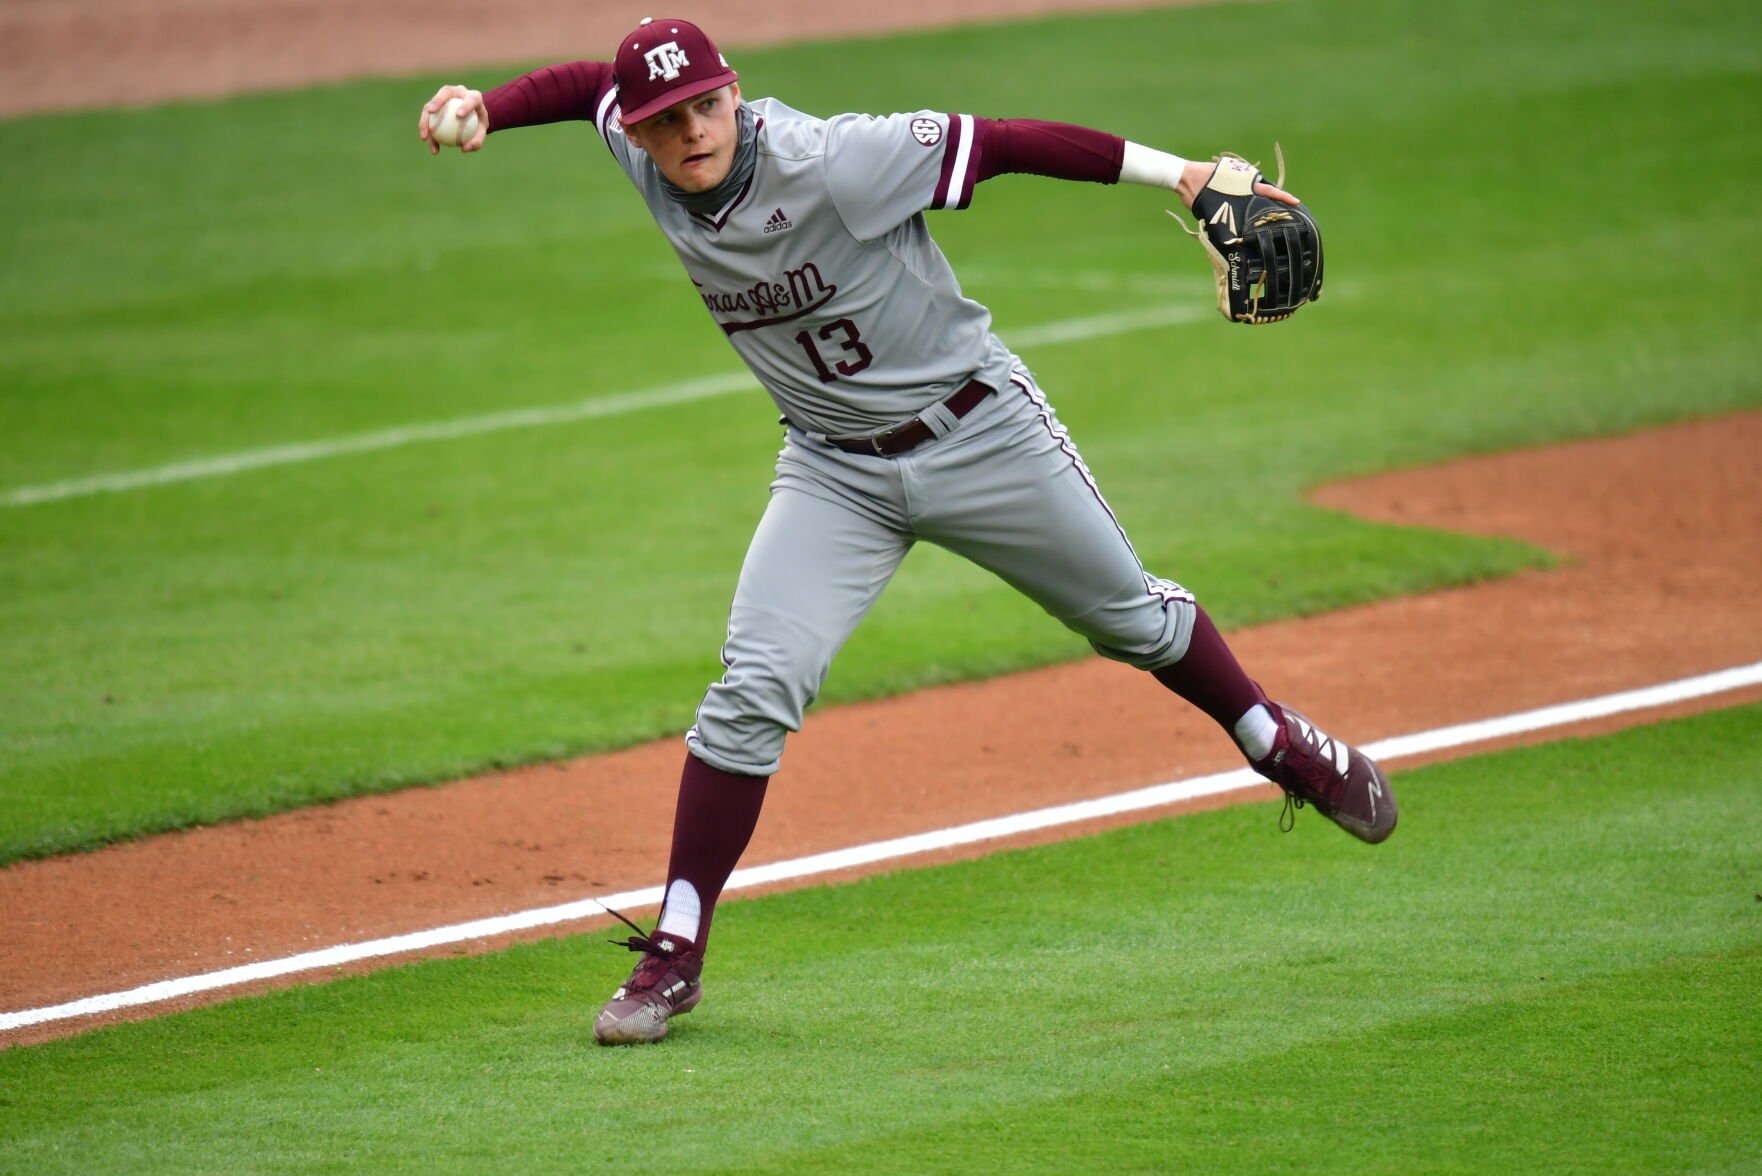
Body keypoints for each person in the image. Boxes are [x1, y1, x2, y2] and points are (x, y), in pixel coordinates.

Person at [417, 16, 1397, 1046]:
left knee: (1134, 622)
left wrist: (1185, 174)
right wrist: (493, 105)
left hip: (979, 436)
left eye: (707, 106)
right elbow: (589, 86)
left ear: (735, 94)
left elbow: (1010, 140)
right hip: (832, 468)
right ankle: (674, 954)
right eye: (667, 120)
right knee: (751, 689)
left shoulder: (839, 161)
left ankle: (1272, 738)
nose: (692, 133)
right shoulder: (643, 144)